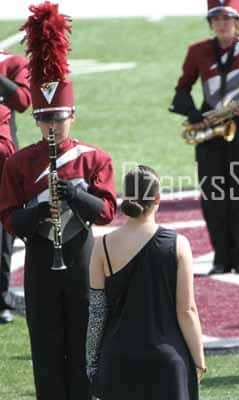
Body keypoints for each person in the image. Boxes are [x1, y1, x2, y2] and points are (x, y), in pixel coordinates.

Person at [0, 3, 117, 399]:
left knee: (85, 348)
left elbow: (106, 213)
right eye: (45, 119)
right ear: (36, 121)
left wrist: (74, 193)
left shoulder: (93, 158)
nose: (52, 126)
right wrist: (38, 210)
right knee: (46, 352)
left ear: (73, 116)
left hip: (82, 260)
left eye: (59, 118)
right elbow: (10, 221)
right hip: (39, 263)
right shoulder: (19, 162)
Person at [170, 0, 239, 275]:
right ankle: (220, 255)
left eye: (227, 18)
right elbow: (181, 91)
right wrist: (193, 114)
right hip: (210, 130)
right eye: (215, 19)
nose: (221, 24)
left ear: (237, 21)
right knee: (213, 192)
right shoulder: (198, 51)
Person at [86, 166, 206, 400]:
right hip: (167, 362)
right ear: (158, 199)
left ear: (125, 198)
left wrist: (91, 362)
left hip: (118, 361)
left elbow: (97, 312)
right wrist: (199, 360)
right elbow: (187, 310)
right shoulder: (179, 244)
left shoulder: (102, 246)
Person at [0, 50, 30, 324]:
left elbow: (22, 101)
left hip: (3, 156)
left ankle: (1, 296)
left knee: (3, 229)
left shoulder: (13, 61)